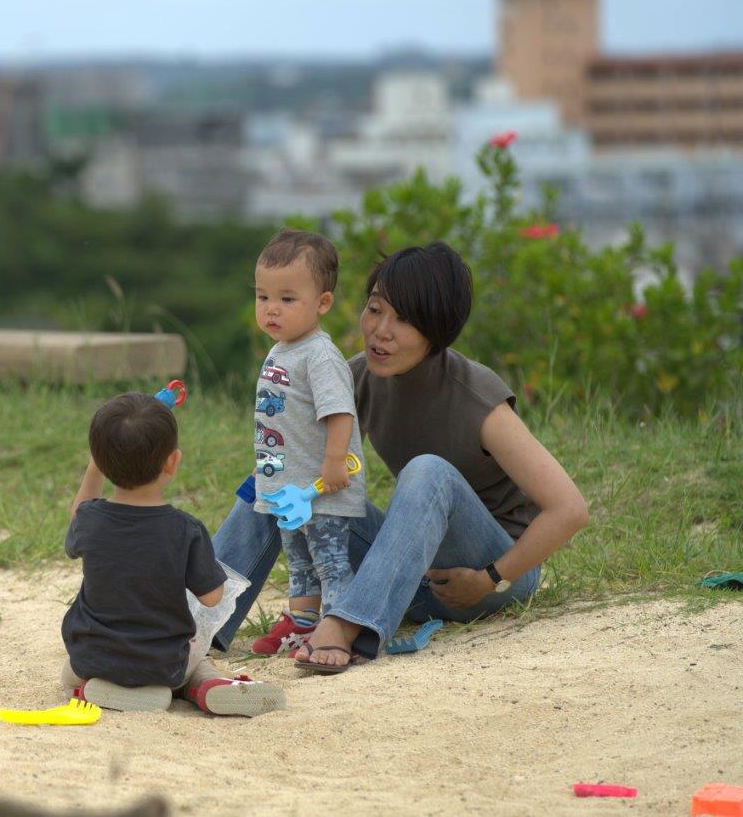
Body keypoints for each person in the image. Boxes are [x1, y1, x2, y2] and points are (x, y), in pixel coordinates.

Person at [215, 241, 589, 673]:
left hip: (492, 578)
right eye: (375, 310)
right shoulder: (351, 376)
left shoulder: (477, 398)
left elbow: (570, 510)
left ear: (438, 329)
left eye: (405, 320)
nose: (381, 331)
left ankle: (346, 625)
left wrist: (489, 577)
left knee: (428, 470)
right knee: (279, 471)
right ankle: (197, 615)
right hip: (406, 574)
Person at [64, 392, 285, 716]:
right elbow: (212, 598)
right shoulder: (185, 530)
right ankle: (204, 683)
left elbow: (79, 510)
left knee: (68, 672)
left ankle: (94, 687)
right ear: (172, 461)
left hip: (95, 658)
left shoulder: (90, 521)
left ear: (99, 459)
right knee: (195, 657)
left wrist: (95, 466)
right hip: (164, 663)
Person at [247, 229, 368, 671]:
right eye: (263, 297)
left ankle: (339, 624)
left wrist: (335, 461)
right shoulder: (283, 351)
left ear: (322, 303)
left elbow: (340, 412)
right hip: (288, 489)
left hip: (323, 489)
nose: (271, 309)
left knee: (328, 558)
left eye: (287, 298)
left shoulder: (319, 355)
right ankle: (301, 620)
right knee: (298, 559)